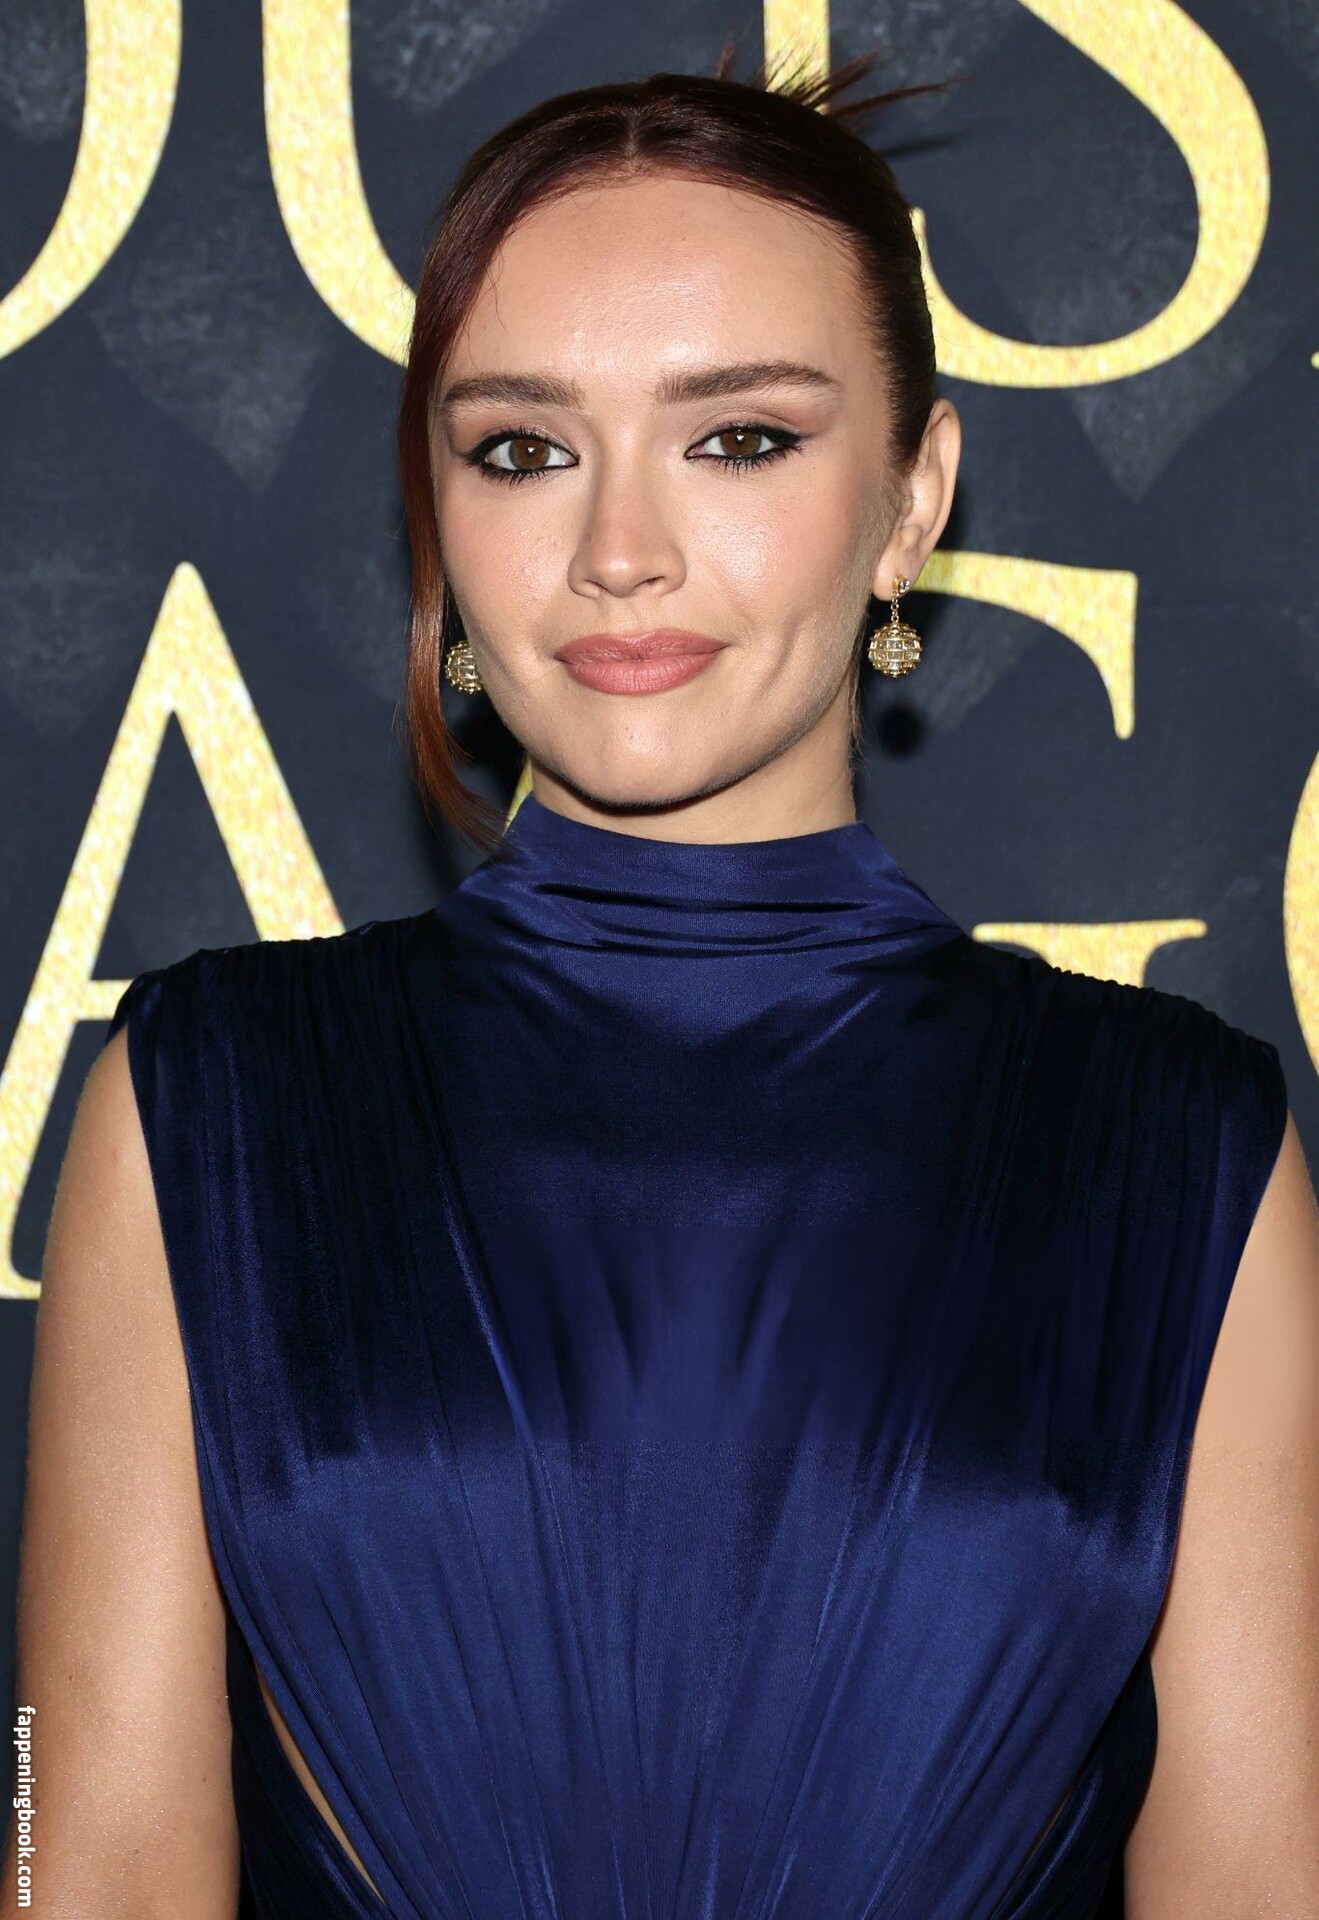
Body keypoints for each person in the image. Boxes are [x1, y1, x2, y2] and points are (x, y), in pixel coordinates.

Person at [6, 47, 1318, 1920]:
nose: (618, 553)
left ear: (913, 498)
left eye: (741, 439)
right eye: (523, 450)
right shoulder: (206, 1106)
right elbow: (88, 1864)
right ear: (437, 515)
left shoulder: (1180, 1157)